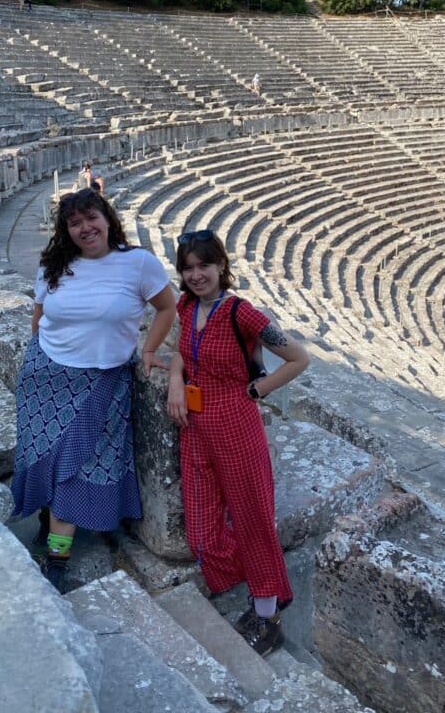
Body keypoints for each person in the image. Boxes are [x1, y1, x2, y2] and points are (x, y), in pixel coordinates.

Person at [11, 188, 176, 590]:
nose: (85, 228)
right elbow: (39, 314)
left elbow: (168, 307)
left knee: (72, 466)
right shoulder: (55, 264)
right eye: (74, 223)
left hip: (101, 380)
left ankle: (56, 559)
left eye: (91, 218)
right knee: (43, 455)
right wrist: (39, 355)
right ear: (67, 231)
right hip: (45, 377)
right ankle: (47, 525)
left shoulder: (137, 263)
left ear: (107, 219)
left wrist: (150, 350)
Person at [167, 229, 309, 657]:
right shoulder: (187, 305)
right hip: (195, 426)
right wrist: (176, 381)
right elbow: (181, 352)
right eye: (188, 268)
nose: (195, 275)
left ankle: (267, 612)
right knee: (203, 529)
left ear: (221, 266)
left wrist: (255, 392)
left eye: (203, 266)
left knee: (252, 519)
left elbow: (298, 358)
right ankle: (251, 585)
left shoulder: (241, 313)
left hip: (236, 425)